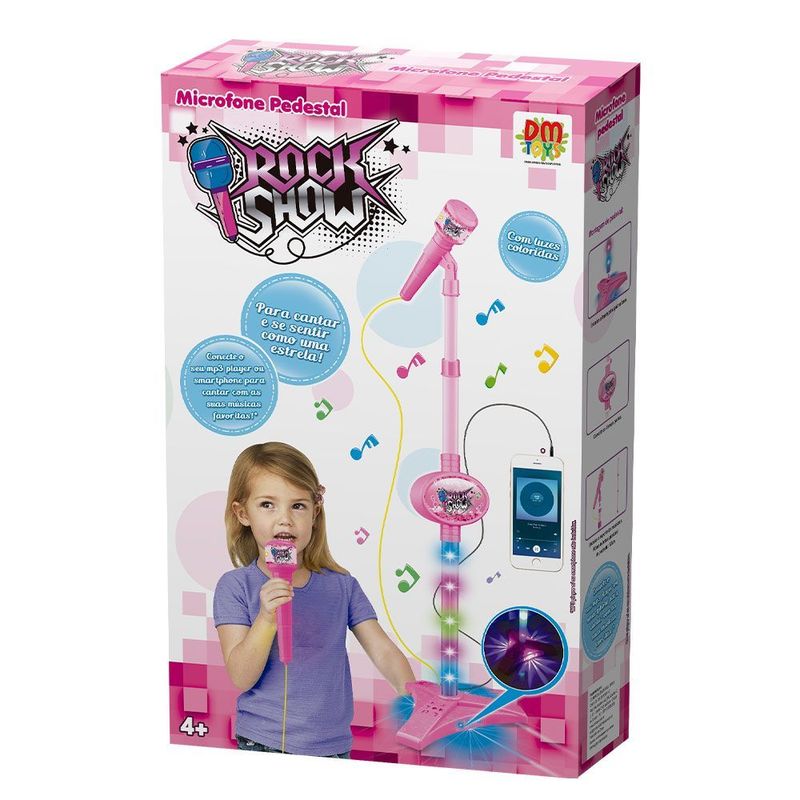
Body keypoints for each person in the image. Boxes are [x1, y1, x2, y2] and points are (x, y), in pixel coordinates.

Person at [213, 441, 415, 757]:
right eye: (267, 505)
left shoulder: (342, 586)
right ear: (243, 513)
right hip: (263, 742)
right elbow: (240, 677)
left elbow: (382, 650)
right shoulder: (236, 586)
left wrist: (411, 696)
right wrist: (266, 619)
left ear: (315, 513)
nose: (285, 519)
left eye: (298, 505)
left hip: (333, 746)